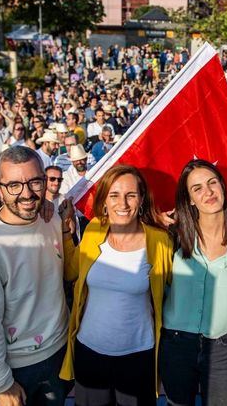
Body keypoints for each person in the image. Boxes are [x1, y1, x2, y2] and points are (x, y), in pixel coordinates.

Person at [0, 146, 74, 406]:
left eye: (34, 182)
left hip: (59, 352)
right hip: (18, 369)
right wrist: (0, 383)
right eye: (14, 185)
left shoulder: (50, 217)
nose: (25, 193)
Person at [58, 165, 173, 405]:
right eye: (114, 195)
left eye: (131, 195)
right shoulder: (92, 230)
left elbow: (174, 290)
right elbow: (71, 272)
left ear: (141, 200)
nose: (123, 203)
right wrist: (66, 232)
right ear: (104, 203)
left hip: (138, 356)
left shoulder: (159, 240)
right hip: (89, 353)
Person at [159, 160, 227, 405]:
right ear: (190, 199)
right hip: (177, 345)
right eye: (197, 188)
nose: (208, 192)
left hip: (223, 347)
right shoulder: (171, 236)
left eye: (212, 183)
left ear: (223, 187)